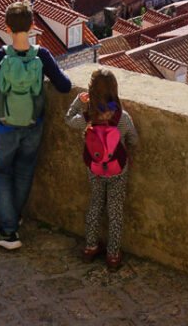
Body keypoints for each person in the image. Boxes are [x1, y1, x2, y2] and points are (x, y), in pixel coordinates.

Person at [0, 0, 72, 250]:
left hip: (5, 124)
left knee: (1, 172)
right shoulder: (42, 55)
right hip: (33, 124)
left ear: (7, 27)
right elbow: (64, 86)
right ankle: (13, 217)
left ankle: (8, 231)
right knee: (24, 171)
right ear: (32, 26)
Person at [65, 67, 138, 270]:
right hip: (118, 170)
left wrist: (79, 101)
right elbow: (134, 139)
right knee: (115, 211)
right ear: (115, 90)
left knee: (95, 205)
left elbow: (68, 119)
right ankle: (113, 255)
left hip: (95, 168)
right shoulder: (122, 118)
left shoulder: (87, 119)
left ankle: (90, 247)